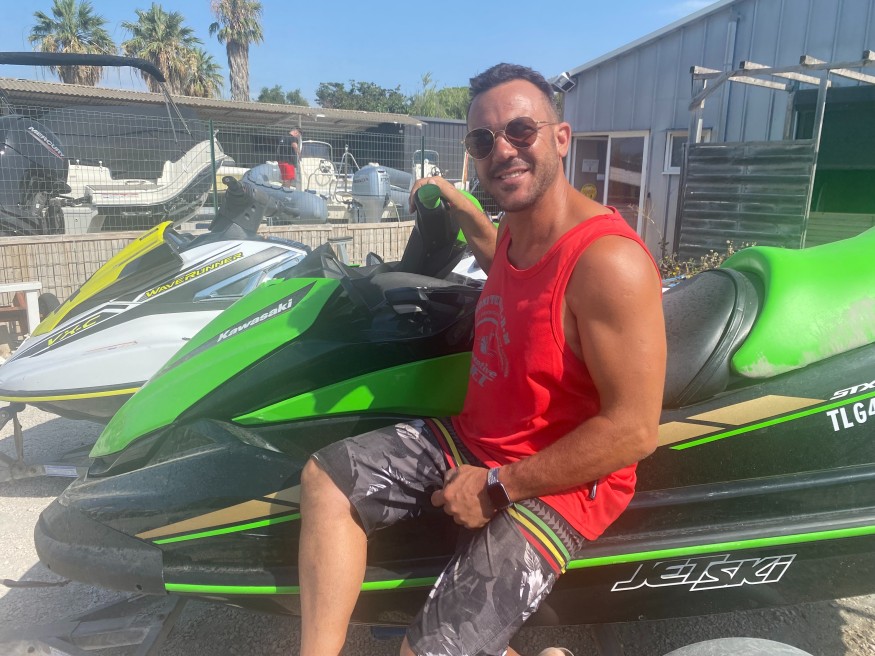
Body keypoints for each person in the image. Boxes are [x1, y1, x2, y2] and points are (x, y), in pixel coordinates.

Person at [298, 63, 666, 656]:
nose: (503, 151)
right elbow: (512, 270)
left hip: (558, 479)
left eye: (521, 130)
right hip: (477, 437)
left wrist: (497, 488)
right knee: (327, 479)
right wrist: (464, 209)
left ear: (561, 138)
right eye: (483, 140)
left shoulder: (608, 263)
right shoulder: (519, 230)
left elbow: (634, 430)